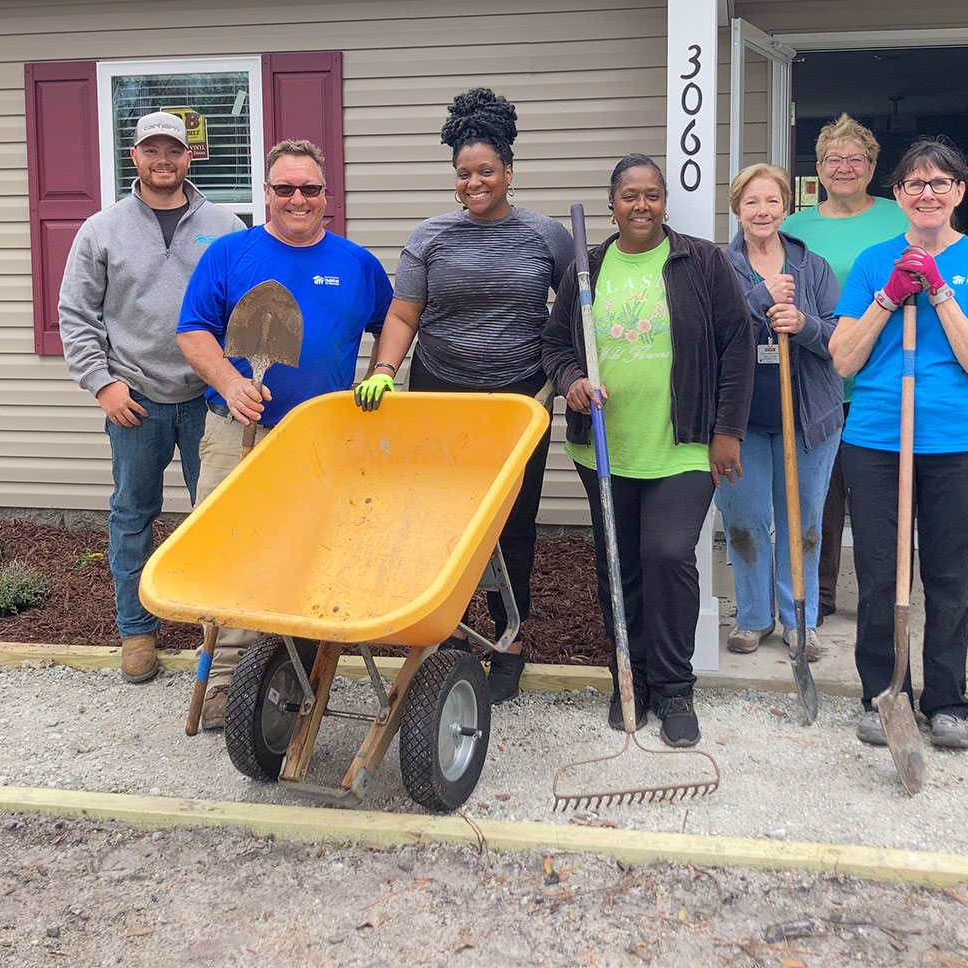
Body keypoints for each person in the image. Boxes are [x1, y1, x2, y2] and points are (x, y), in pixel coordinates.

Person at [354, 87, 572, 703]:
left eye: (485, 171)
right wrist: (385, 370)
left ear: (509, 171)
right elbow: (403, 315)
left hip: (518, 404)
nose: (474, 183)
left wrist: (568, 373)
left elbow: (574, 314)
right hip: (440, 397)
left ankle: (509, 637)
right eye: (463, 174)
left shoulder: (547, 237)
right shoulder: (431, 237)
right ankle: (449, 630)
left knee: (512, 524)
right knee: (443, 520)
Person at [177, 138, 393, 724]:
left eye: (310, 188)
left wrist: (383, 372)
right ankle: (224, 681)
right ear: (266, 194)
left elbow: (394, 321)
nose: (298, 198)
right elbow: (194, 330)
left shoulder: (357, 264)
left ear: (327, 196)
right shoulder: (228, 254)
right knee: (231, 554)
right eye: (285, 188)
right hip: (237, 430)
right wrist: (228, 381)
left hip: (322, 442)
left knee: (309, 555)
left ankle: (290, 675)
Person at [541, 154, 753, 748]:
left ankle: (674, 685)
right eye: (629, 196)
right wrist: (571, 382)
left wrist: (727, 429)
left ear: (664, 202)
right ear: (612, 204)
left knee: (665, 555)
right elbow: (556, 344)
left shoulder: (701, 261)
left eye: (652, 195)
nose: (642, 205)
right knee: (620, 564)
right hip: (606, 447)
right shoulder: (586, 266)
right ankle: (626, 675)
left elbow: (736, 345)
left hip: (684, 443)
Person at [828, 137, 968, 753]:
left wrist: (939, 291)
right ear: (898, 195)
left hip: (958, 441)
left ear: (959, 192)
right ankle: (882, 694)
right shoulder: (870, 262)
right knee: (882, 575)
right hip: (878, 437)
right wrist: (888, 296)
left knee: (947, 576)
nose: (927, 193)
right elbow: (842, 359)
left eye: (940, 183)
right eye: (914, 184)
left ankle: (946, 701)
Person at [58, 110, 245, 686]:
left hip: (209, 398)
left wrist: (235, 379)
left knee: (216, 519)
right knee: (132, 513)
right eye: (151, 151)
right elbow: (76, 314)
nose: (164, 161)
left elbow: (246, 307)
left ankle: (217, 635)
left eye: (175, 151)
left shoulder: (226, 224)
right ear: (134, 157)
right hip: (134, 396)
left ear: (191, 157)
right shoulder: (101, 229)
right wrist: (102, 383)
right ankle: (136, 630)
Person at [781, 115, 909, 622]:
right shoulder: (795, 226)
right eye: (834, 159)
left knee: (883, 493)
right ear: (819, 168)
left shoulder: (901, 219)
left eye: (856, 159)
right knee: (822, 493)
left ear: (873, 167)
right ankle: (822, 592)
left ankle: (887, 597)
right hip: (818, 377)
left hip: (883, 374)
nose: (845, 167)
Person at [714, 164, 842, 660]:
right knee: (744, 519)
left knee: (802, 521)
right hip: (740, 422)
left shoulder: (813, 268)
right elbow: (708, 334)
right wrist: (756, 301)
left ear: (785, 207)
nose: (762, 211)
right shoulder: (719, 268)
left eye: (771, 201)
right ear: (737, 209)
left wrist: (804, 324)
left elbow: (842, 338)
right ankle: (753, 617)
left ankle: (800, 620)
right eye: (751, 202)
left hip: (809, 419)